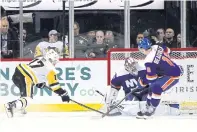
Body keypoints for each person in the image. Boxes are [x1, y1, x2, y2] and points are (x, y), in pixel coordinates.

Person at [4, 49, 70, 118]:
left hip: (18, 72)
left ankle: (20, 107)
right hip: (26, 77)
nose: (55, 63)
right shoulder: (51, 70)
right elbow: (55, 87)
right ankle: (11, 105)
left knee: (25, 94)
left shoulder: (40, 58)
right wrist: (63, 94)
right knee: (28, 98)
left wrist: (39, 82)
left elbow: (35, 70)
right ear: (51, 60)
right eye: (55, 61)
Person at [136, 38, 181, 119]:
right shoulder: (156, 47)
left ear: (142, 49)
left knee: (156, 87)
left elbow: (152, 79)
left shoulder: (148, 61)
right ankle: (147, 106)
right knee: (151, 87)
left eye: (140, 48)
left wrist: (142, 82)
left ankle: (152, 108)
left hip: (173, 75)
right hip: (168, 72)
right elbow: (169, 50)